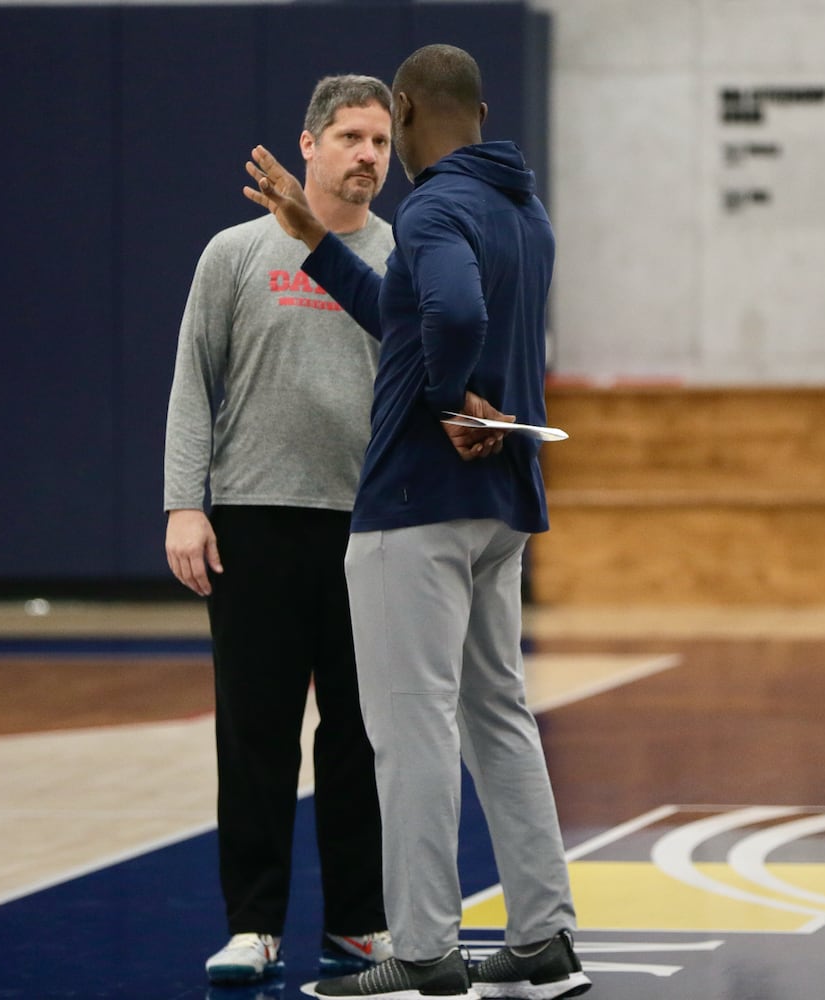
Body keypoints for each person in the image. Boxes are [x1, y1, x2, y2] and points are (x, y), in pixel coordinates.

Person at [243, 44, 590, 1000]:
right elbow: (408, 312)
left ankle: (428, 949)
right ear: (479, 111)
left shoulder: (433, 207)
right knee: (497, 715)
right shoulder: (523, 208)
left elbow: (450, 313)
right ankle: (545, 934)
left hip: (412, 506)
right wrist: (313, 236)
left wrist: (444, 397)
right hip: (498, 506)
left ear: (402, 111)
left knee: (412, 727)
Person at [163, 74, 398, 987]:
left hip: (368, 530)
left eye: (379, 141)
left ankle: (358, 925)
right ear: (308, 146)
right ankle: (254, 925)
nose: (366, 155)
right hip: (253, 524)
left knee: (357, 736)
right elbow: (194, 380)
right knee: (255, 733)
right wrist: (186, 502)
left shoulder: (402, 256)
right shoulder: (233, 253)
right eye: (349, 137)